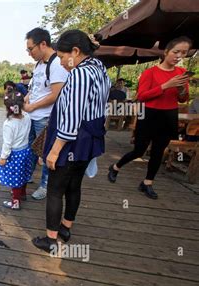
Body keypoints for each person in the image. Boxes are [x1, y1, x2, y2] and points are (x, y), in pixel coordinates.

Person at [31, 30, 110, 253]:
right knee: (74, 185)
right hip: (89, 138)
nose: (62, 63)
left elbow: (71, 119)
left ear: (75, 52)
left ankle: (51, 240)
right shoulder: (99, 68)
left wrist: (54, 150)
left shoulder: (79, 74)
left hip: (72, 141)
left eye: (62, 57)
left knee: (55, 189)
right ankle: (65, 228)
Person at [108, 36, 192, 199]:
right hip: (149, 114)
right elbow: (142, 96)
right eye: (175, 52)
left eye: (183, 53)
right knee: (139, 149)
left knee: (158, 151)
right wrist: (166, 85)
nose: (178, 56)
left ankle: (147, 183)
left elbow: (183, 99)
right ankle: (116, 166)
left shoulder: (181, 73)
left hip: (169, 114)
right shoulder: (150, 72)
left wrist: (181, 88)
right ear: (166, 52)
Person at [23, 27, 69, 200]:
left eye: (30, 48)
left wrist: (33, 107)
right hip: (33, 116)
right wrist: (26, 100)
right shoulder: (39, 64)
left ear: (43, 44)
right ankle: (27, 177)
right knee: (31, 150)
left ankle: (45, 185)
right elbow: (35, 89)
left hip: (45, 117)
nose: (29, 53)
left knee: (46, 152)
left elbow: (56, 94)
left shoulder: (57, 63)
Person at [0, 87, 34, 210]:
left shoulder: (9, 124)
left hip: (14, 154)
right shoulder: (27, 117)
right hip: (26, 151)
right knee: (24, 174)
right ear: (22, 104)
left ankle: (15, 202)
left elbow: (7, 144)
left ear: (7, 108)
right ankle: (23, 194)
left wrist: (3, 157)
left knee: (15, 179)